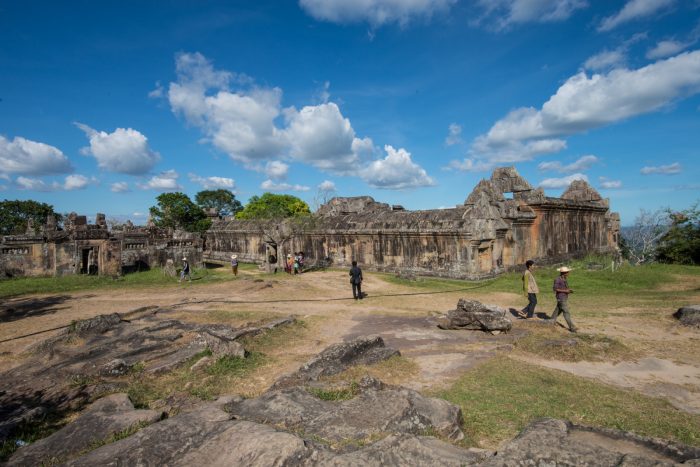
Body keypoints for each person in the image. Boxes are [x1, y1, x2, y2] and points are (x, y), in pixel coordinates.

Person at [548, 266, 577, 332]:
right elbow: (555, 289)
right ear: (564, 273)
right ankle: (572, 328)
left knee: (557, 311)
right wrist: (566, 291)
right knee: (566, 312)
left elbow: (562, 288)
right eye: (568, 272)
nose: (569, 273)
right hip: (561, 298)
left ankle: (549, 322)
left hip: (563, 298)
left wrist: (568, 290)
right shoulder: (557, 279)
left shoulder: (564, 279)